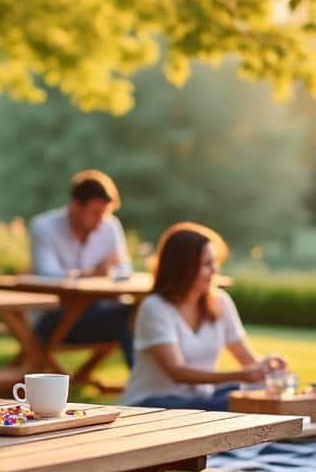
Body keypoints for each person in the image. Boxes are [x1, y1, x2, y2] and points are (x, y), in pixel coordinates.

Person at [121, 223, 284, 410]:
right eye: (206, 264)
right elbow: (177, 372)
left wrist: (266, 368)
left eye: (214, 262)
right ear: (183, 268)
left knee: (262, 394)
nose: (214, 270)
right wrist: (241, 375)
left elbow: (247, 360)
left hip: (201, 400)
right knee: (237, 403)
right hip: (153, 404)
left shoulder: (220, 302)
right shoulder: (155, 307)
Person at [29, 169, 136, 365]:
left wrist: (109, 273)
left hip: (99, 313)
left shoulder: (110, 227)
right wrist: (92, 274)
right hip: (56, 320)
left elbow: (125, 270)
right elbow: (47, 274)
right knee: (129, 318)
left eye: (105, 213)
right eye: (95, 213)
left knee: (138, 313)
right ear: (75, 206)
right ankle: (148, 388)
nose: (100, 221)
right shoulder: (44, 228)